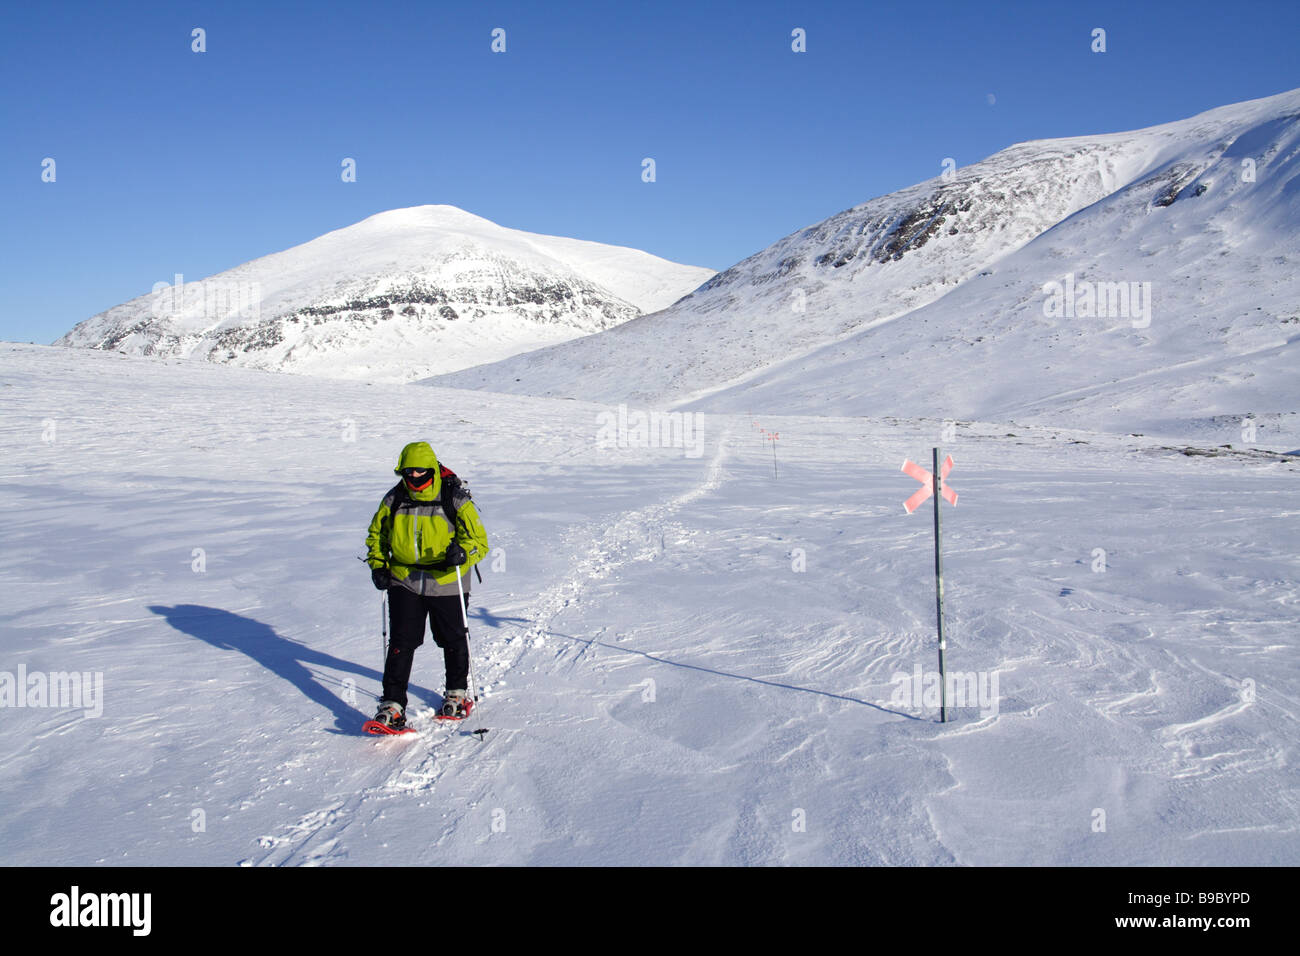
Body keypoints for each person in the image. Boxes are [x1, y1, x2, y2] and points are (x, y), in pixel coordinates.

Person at [364, 441, 489, 730]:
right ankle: (392, 705)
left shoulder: (454, 499)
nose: (416, 476)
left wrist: (463, 553)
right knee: (401, 641)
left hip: (446, 580)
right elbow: (377, 535)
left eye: (421, 470)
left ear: (432, 469)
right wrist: (378, 564)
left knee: (453, 638)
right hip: (404, 578)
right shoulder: (394, 499)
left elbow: (479, 542)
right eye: (409, 471)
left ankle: (456, 694)